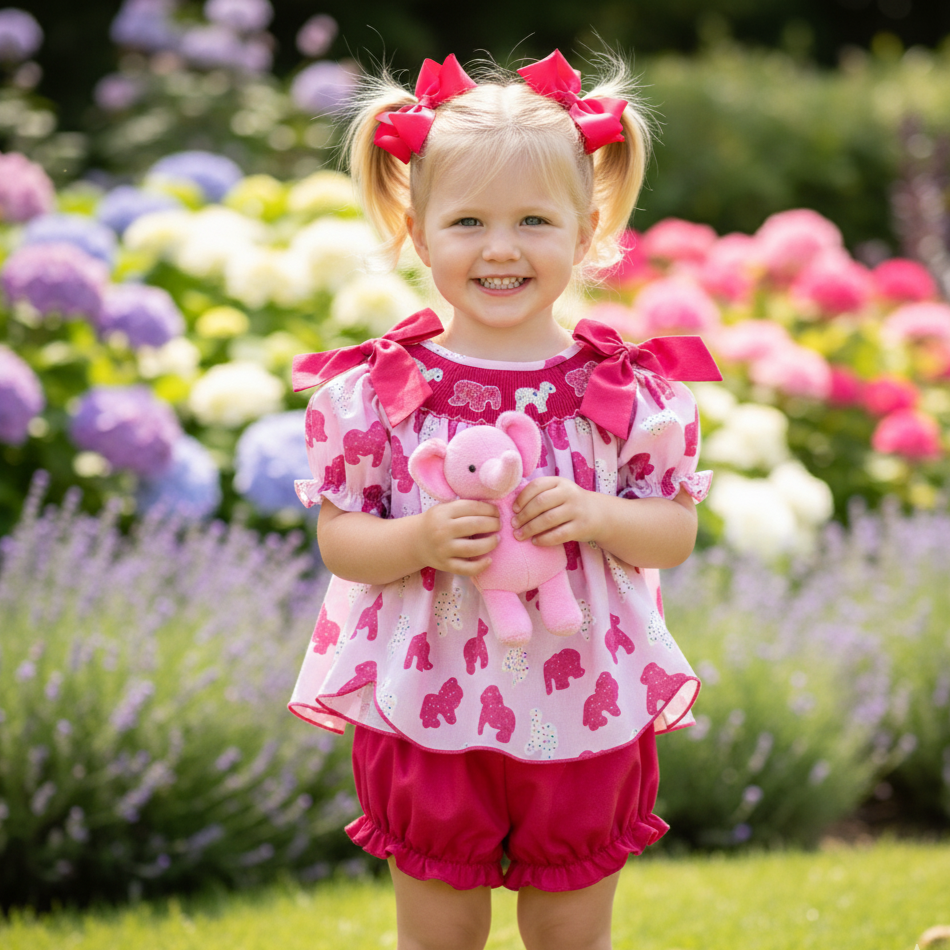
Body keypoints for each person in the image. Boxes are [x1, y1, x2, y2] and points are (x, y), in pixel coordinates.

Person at [288, 49, 722, 950]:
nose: (499, 247)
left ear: (587, 229)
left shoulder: (621, 392)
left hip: (584, 702)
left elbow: (672, 532)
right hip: (432, 699)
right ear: (418, 232)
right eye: (468, 221)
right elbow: (341, 540)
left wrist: (600, 516)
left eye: (533, 220)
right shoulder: (385, 392)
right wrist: (418, 539)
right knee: (438, 931)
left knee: (571, 929)